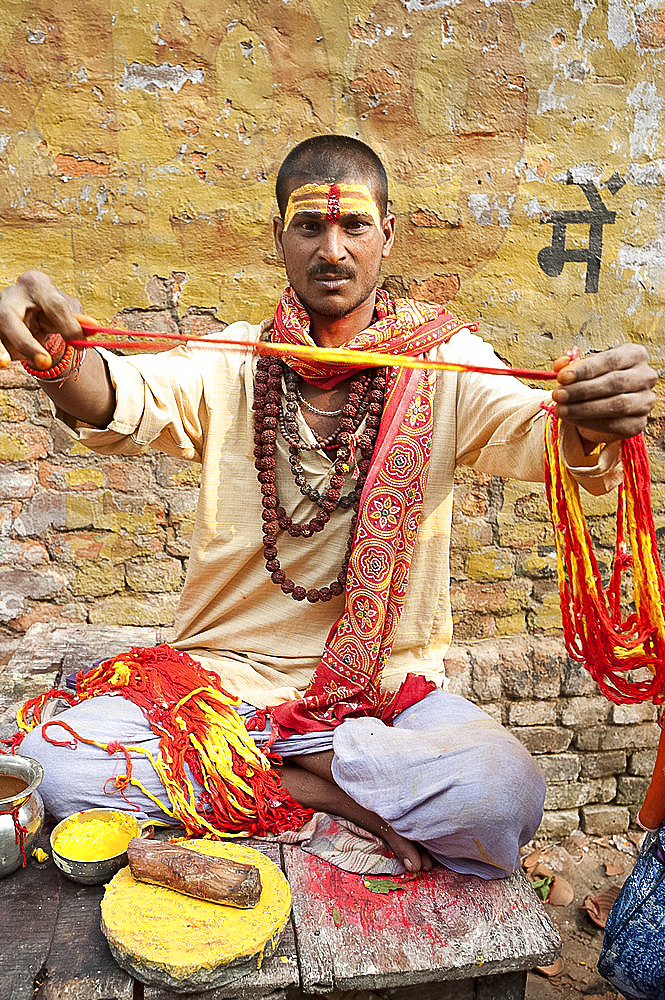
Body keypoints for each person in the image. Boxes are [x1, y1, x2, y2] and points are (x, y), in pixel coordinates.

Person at [0, 135, 657, 878]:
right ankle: (316, 792)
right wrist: (51, 356)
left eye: (353, 227)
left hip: (383, 701)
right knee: (47, 767)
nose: (332, 249)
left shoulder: (446, 363)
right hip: (219, 687)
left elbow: (542, 435)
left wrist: (594, 414)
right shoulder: (232, 361)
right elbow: (116, 396)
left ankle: (271, 773)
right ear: (279, 236)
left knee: (502, 796)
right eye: (310, 226)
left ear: (387, 235)